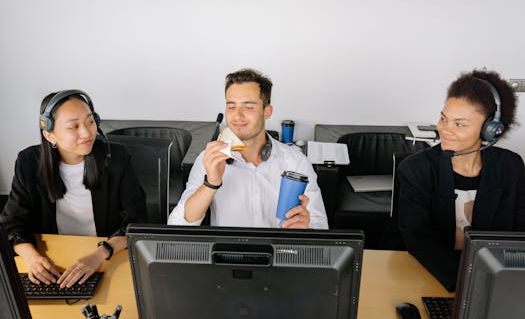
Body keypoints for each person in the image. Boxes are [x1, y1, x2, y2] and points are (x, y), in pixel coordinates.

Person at [0, 90, 146, 288]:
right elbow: (12, 223)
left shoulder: (116, 159)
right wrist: (32, 257)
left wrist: (100, 254)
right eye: (73, 127)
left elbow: (136, 220)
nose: (86, 132)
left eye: (90, 122)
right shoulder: (28, 163)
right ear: (49, 134)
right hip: (54, 261)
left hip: (106, 259)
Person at [397, 69, 525, 291]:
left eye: (460, 124)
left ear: (490, 131)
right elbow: (419, 242)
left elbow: (517, 238)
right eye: (443, 118)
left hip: (495, 282)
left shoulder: (511, 168)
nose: (445, 130)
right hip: (431, 277)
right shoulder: (416, 169)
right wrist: (468, 286)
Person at [168, 68, 328, 229]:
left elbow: (320, 227)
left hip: (281, 252)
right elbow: (177, 226)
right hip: (227, 252)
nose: (237, 116)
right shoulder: (210, 158)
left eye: (248, 106)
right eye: (231, 106)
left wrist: (306, 228)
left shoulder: (296, 162)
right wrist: (211, 183)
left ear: (267, 112)